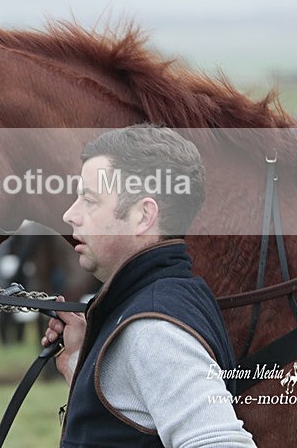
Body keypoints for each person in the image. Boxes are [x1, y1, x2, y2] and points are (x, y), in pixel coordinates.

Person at [41, 124, 255, 447]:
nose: (70, 214)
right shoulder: (168, 301)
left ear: (144, 216)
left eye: (89, 200)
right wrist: (84, 364)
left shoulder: (153, 328)